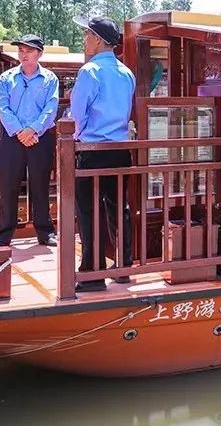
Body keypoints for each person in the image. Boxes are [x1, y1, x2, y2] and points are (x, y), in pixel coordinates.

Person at [69, 16, 135, 292]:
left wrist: (74, 137)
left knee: (88, 211)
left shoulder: (90, 72)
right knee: (119, 208)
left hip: (93, 150)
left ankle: (91, 272)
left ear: (97, 39)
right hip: (120, 150)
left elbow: (78, 115)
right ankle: (123, 266)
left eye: (87, 34)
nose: (85, 39)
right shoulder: (127, 73)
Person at [0, 35, 59, 247]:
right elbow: (3, 107)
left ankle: (45, 232)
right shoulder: (6, 78)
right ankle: (4, 234)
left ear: (39, 53)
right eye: (21, 50)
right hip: (12, 137)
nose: (23, 54)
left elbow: (51, 108)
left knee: (40, 185)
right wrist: (20, 131)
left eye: (28, 50)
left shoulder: (50, 79)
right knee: (8, 186)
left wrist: (33, 129)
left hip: (39, 137)